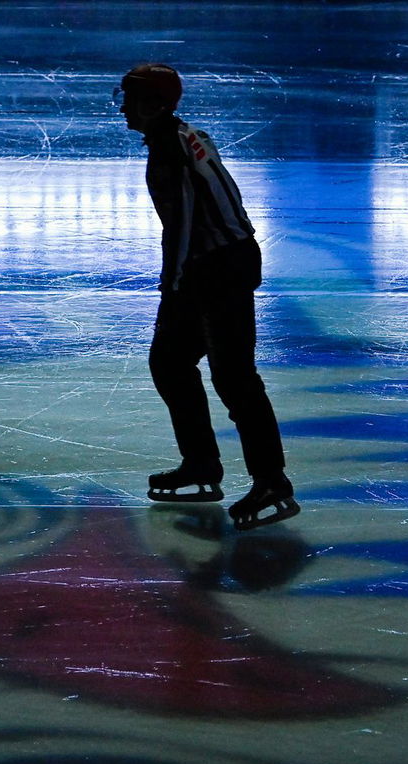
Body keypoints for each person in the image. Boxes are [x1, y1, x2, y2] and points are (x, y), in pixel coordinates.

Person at [116, 63, 299, 531]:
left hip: (215, 269)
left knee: (235, 378)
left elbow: (181, 226)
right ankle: (201, 463)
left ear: (153, 104)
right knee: (172, 363)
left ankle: (272, 480)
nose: (122, 109)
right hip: (219, 261)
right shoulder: (182, 135)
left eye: (129, 100)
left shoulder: (169, 151)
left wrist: (172, 284)